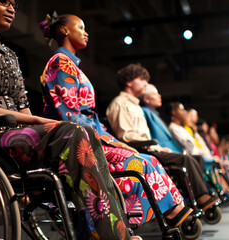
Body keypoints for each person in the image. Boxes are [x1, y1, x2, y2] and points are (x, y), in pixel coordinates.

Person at [0, 1, 132, 239]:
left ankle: (108, 230)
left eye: (14, 4)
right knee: (74, 134)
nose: (11, 9)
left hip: (16, 131)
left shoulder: (9, 54)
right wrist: (33, 121)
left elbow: (24, 110)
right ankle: (109, 236)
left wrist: (38, 122)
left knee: (84, 132)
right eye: (3, 2)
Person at [39, 13, 193, 228]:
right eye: (81, 28)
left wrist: (111, 139)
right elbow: (70, 115)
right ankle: (158, 214)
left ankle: (160, 213)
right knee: (141, 162)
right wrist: (108, 140)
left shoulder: (73, 65)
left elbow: (88, 116)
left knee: (145, 159)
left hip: (90, 133)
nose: (86, 33)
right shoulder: (60, 63)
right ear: (64, 30)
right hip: (76, 138)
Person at [105, 64, 218, 212]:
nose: (146, 83)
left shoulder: (135, 105)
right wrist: (155, 146)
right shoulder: (120, 104)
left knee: (188, 158)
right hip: (139, 150)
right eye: (141, 79)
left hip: (147, 147)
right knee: (184, 159)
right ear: (129, 82)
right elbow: (126, 136)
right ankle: (199, 197)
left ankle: (196, 198)